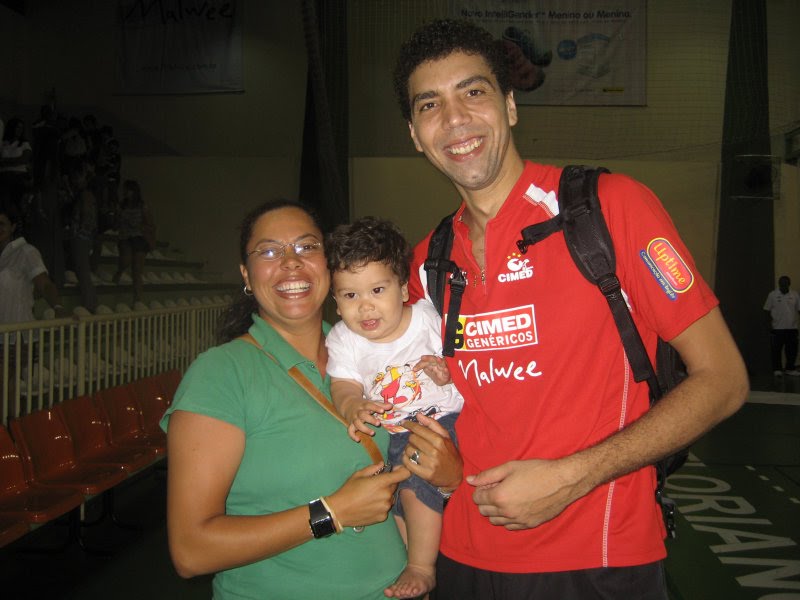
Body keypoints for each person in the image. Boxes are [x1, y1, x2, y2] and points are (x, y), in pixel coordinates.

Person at [391, 18, 748, 599]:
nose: (454, 118)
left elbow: (724, 380)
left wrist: (571, 477)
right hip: (458, 558)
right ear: (414, 134)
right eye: (430, 104)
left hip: (598, 561)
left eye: (473, 91)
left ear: (510, 106)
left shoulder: (610, 210)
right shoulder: (426, 260)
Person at [160, 199, 411, 600]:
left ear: (329, 264)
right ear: (247, 275)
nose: (291, 262)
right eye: (269, 251)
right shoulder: (221, 374)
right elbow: (191, 551)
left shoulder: (372, 354)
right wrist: (331, 513)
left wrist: (444, 479)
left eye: (307, 246)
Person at [325, 216, 464, 599]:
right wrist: (353, 405)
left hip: (442, 420)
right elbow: (343, 385)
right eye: (350, 296)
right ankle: (412, 564)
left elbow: (462, 354)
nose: (365, 306)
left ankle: (422, 567)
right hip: (396, 432)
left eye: (377, 289)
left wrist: (447, 371)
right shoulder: (344, 340)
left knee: (416, 485)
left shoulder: (427, 319)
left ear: (403, 288)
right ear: (335, 302)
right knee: (396, 497)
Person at [0, 199, 68, 324]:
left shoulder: (26, 252)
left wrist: (58, 308)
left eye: (2, 224)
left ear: (12, 227)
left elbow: (45, 285)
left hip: (20, 331)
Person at [112, 180, 155, 302]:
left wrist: (143, 229)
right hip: (125, 237)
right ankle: (119, 271)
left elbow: (150, 224)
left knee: (137, 270)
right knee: (125, 260)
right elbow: (115, 224)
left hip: (139, 238)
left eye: (128, 190)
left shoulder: (143, 206)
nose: (126, 192)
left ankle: (138, 298)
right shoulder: (121, 206)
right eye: (125, 190)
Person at [763, 275, 800, 376]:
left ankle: (790, 369)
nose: (783, 285)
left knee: (792, 350)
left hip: (792, 328)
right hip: (777, 328)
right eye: (781, 283)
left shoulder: (795, 295)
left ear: (789, 284)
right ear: (779, 284)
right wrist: (768, 325)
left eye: (785, 283)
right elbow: (766, 310)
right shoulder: (772, 295)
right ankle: (777, 369)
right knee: (776, 350)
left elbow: (799, 309)